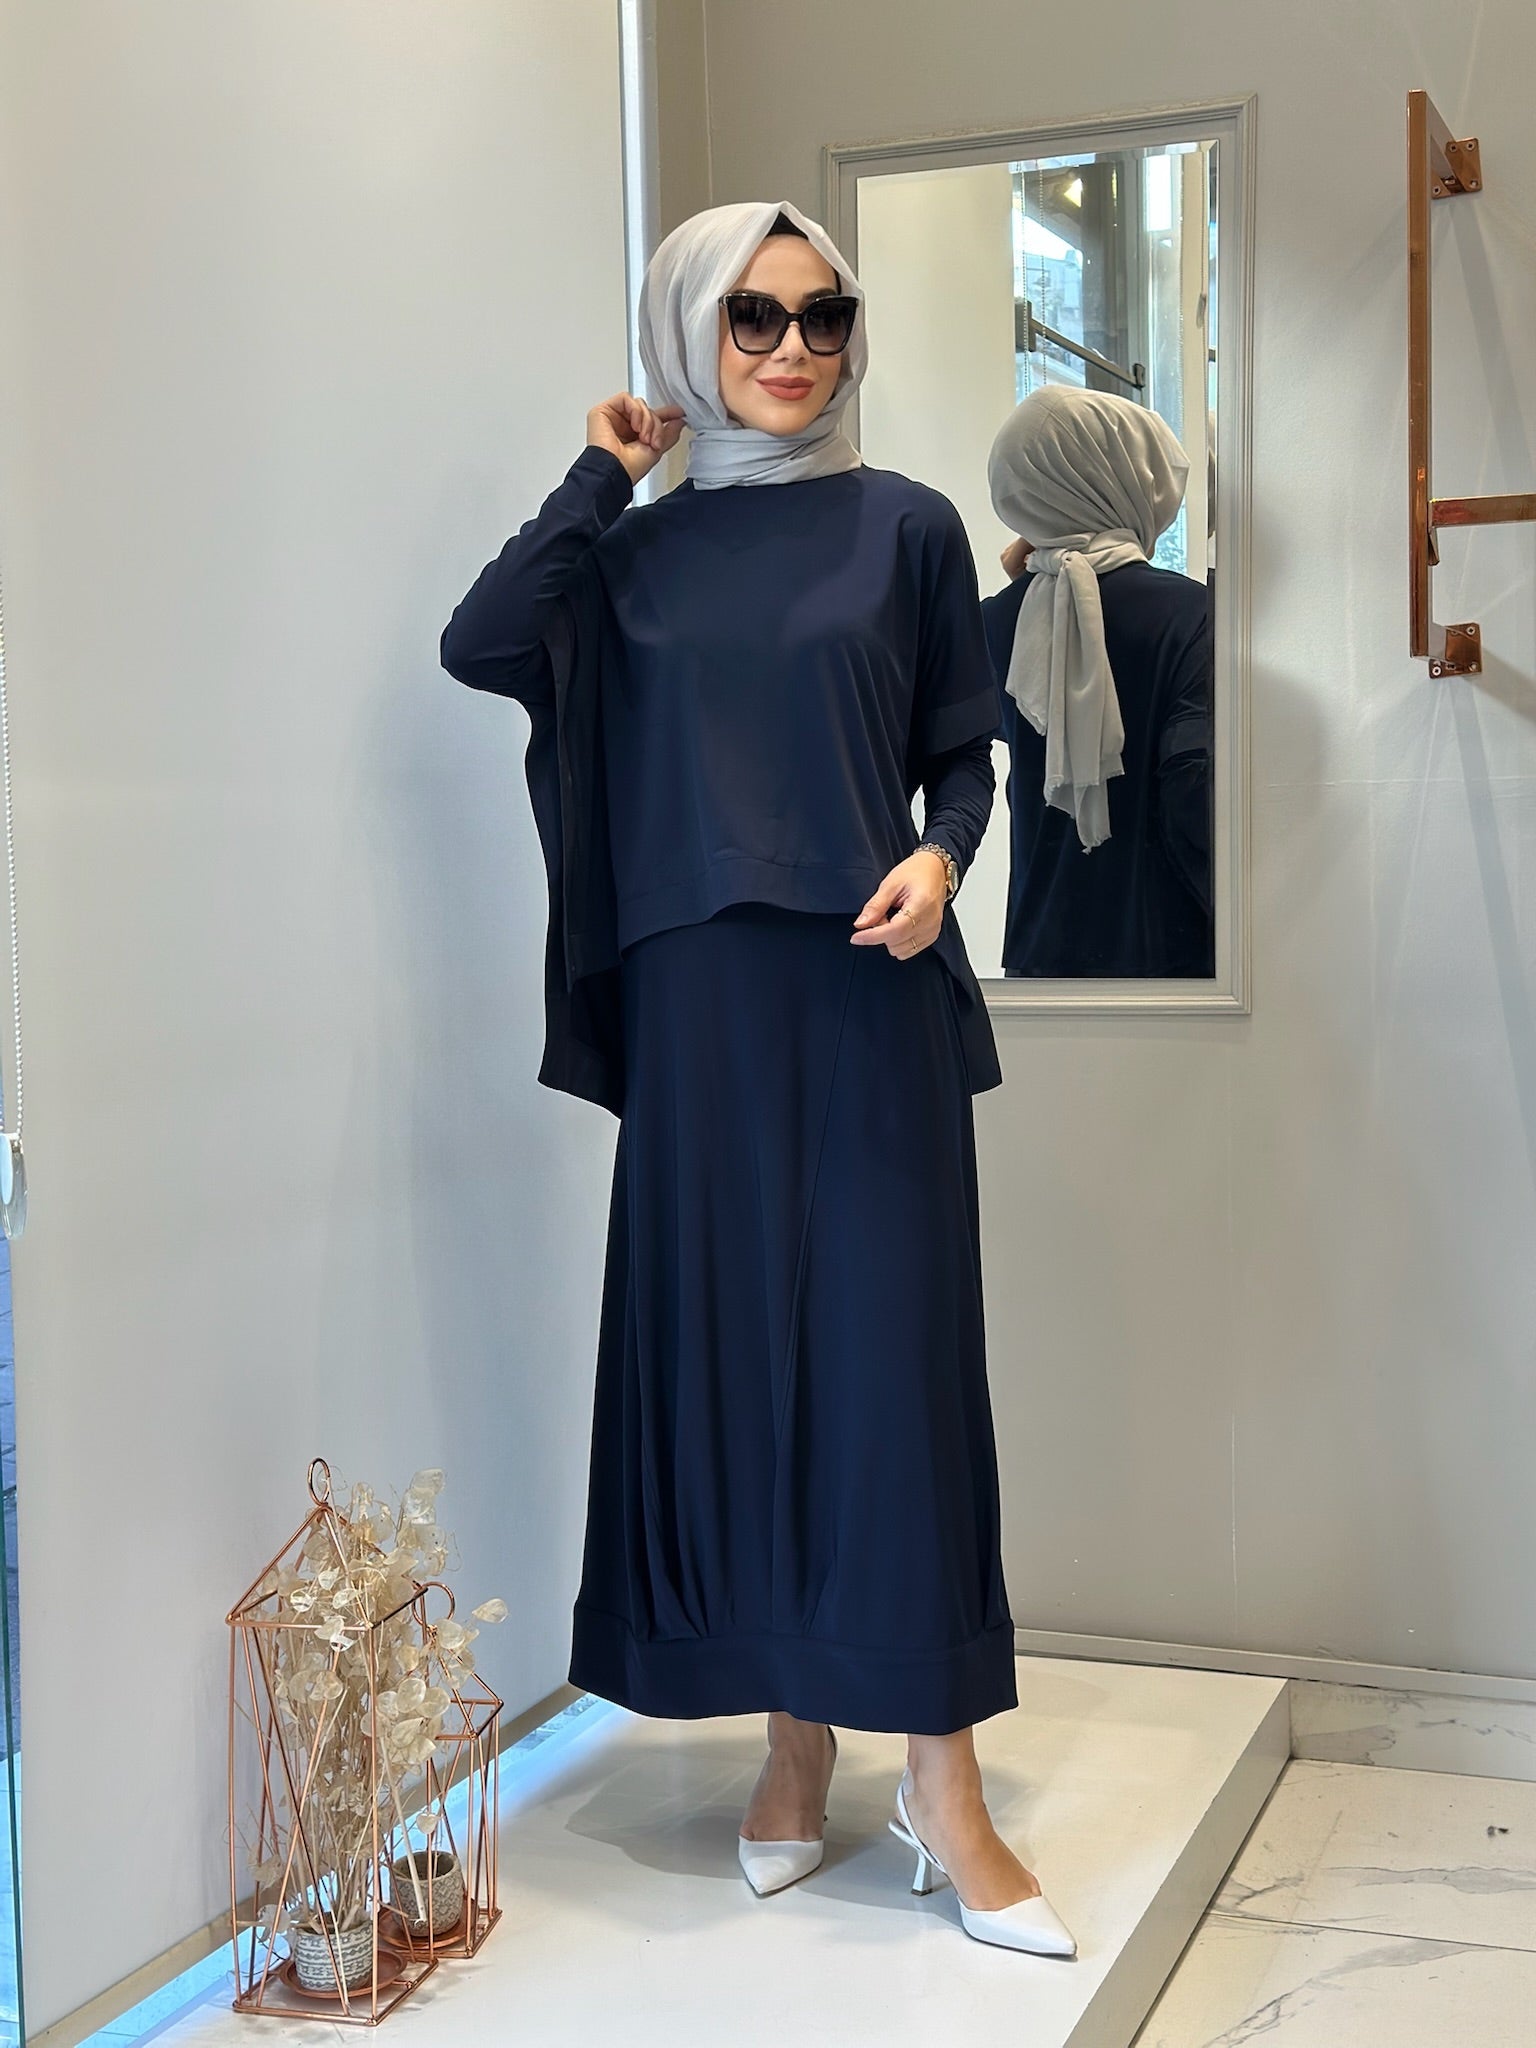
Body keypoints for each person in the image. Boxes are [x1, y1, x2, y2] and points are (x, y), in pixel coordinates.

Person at [440, 198, 1075, 1960]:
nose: (796, 348)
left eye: (824, 315)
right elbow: (481, 643)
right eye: (753, 318)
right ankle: (793, 1744)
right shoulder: (629, 556)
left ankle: (943, 1783)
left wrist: (943, 857)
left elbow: (964, 752)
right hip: (699, 1010)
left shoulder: (906, 526)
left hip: (868, 987)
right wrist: (603, 474)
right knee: (739, 1359)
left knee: (888, 1373)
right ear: (688, 333)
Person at [982, 385, 1214, 978]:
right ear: (1129, 481)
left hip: (1038, 956)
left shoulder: (993, 624)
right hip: (1173, 964)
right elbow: (1195, 796)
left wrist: (1024, 577)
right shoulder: (1197, 616)